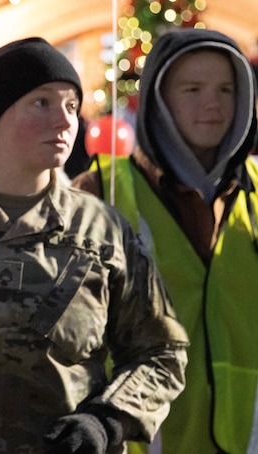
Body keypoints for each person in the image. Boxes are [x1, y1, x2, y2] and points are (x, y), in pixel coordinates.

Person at [0, 37, 189, 453]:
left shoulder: (103, 230)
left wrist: (106, 421)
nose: (65, 121)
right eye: (42, 103)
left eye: (70, 106)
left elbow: (162, 353)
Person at [71, 28, 258, 453]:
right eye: (192, 89)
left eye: (227, 89)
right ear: (159, 99)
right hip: (141, 443)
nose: (213, 103)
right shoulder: (103, 192)